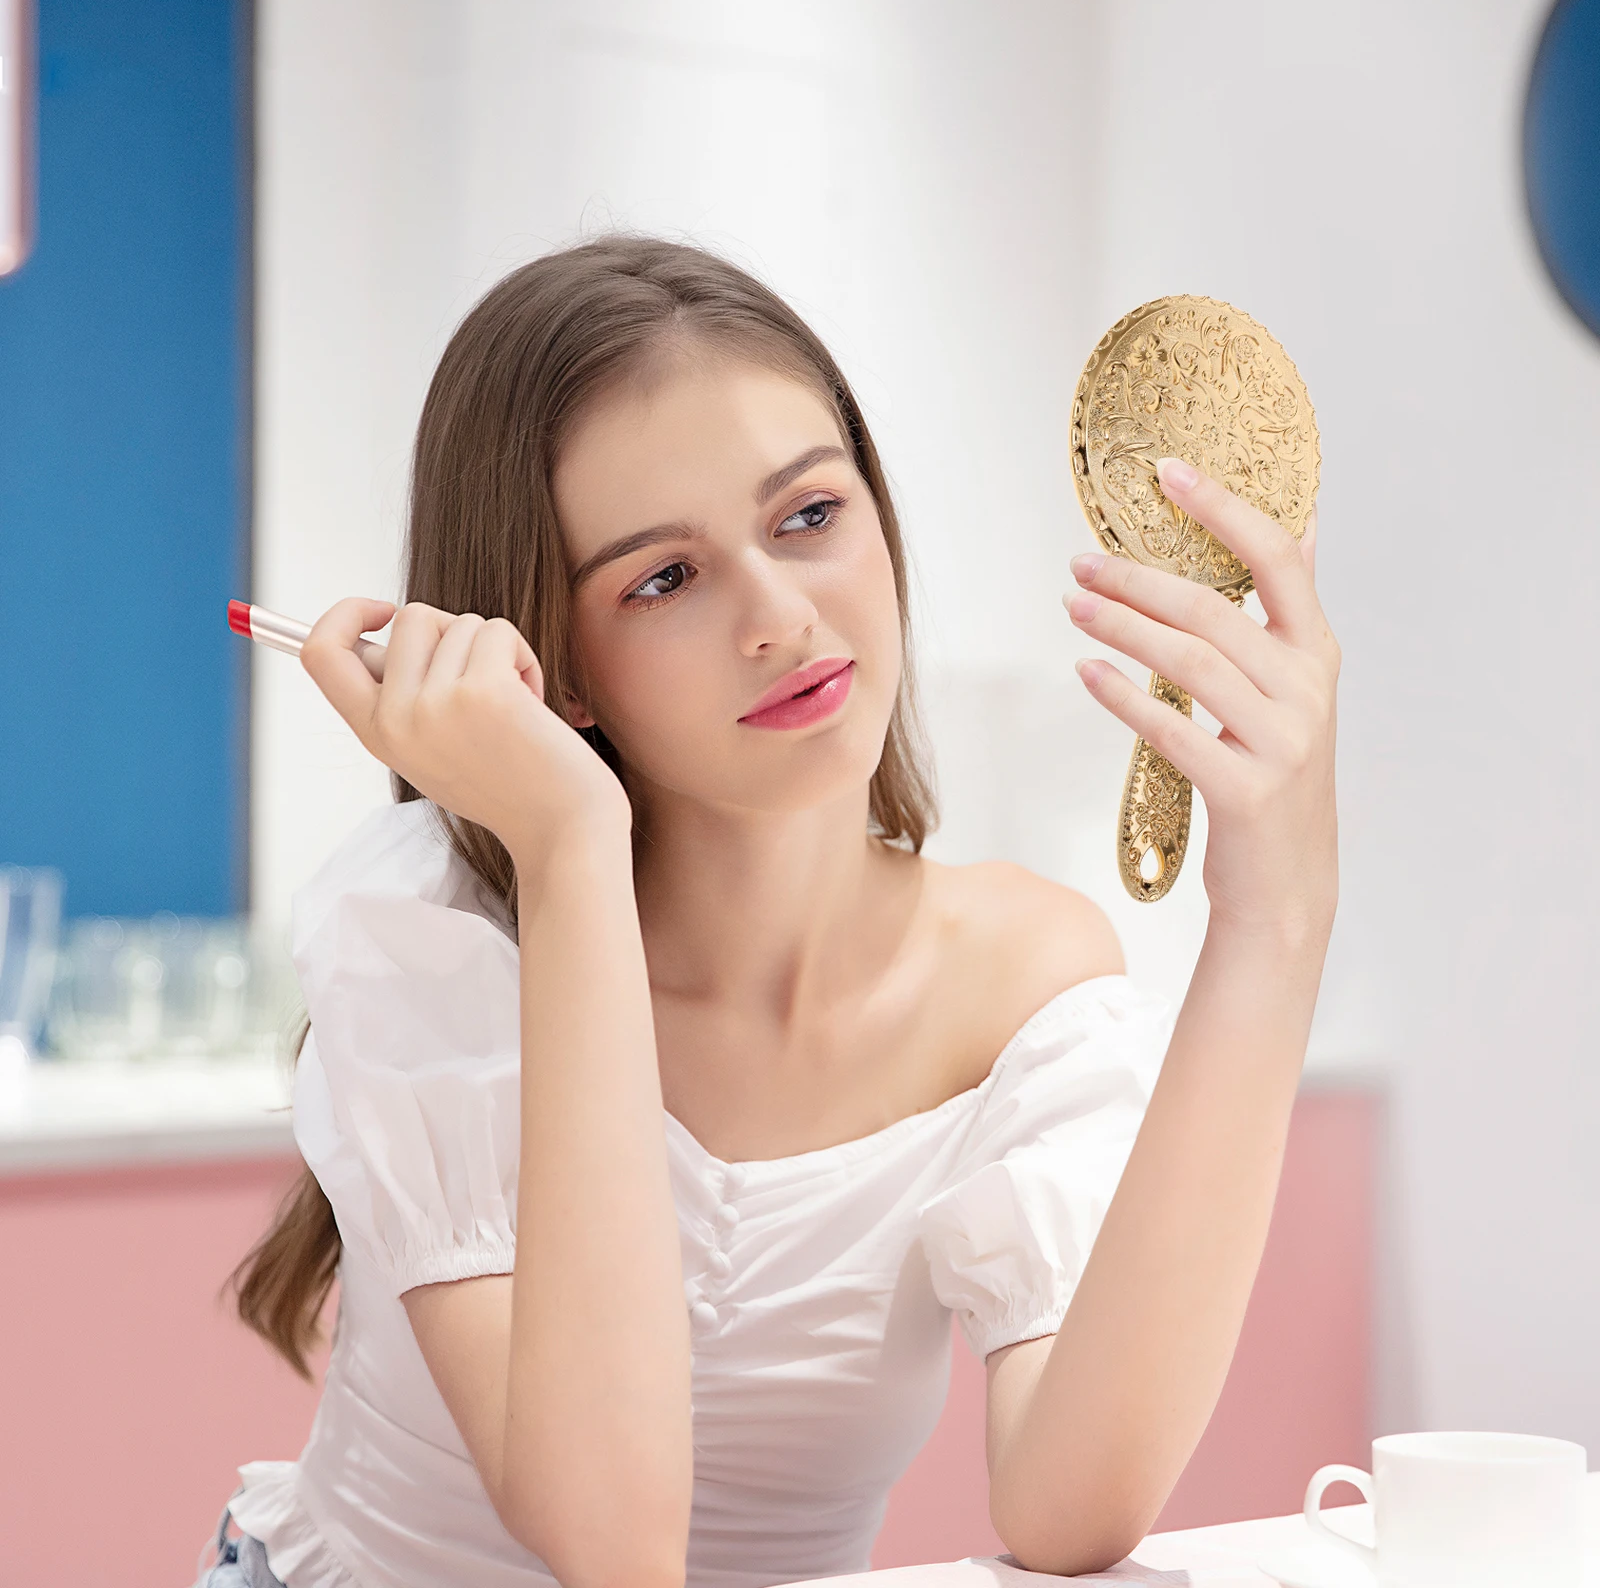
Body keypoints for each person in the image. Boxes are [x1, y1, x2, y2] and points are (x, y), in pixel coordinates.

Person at [199, 232, 1340, 1588]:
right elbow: (612, 1545)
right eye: (663, 578)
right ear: (552, 665)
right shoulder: (431, 942)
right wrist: (568, 850)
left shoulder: (1018, 975)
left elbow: (1069, 1508)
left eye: (809, 516)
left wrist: (1274, 922)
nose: (781, 615)